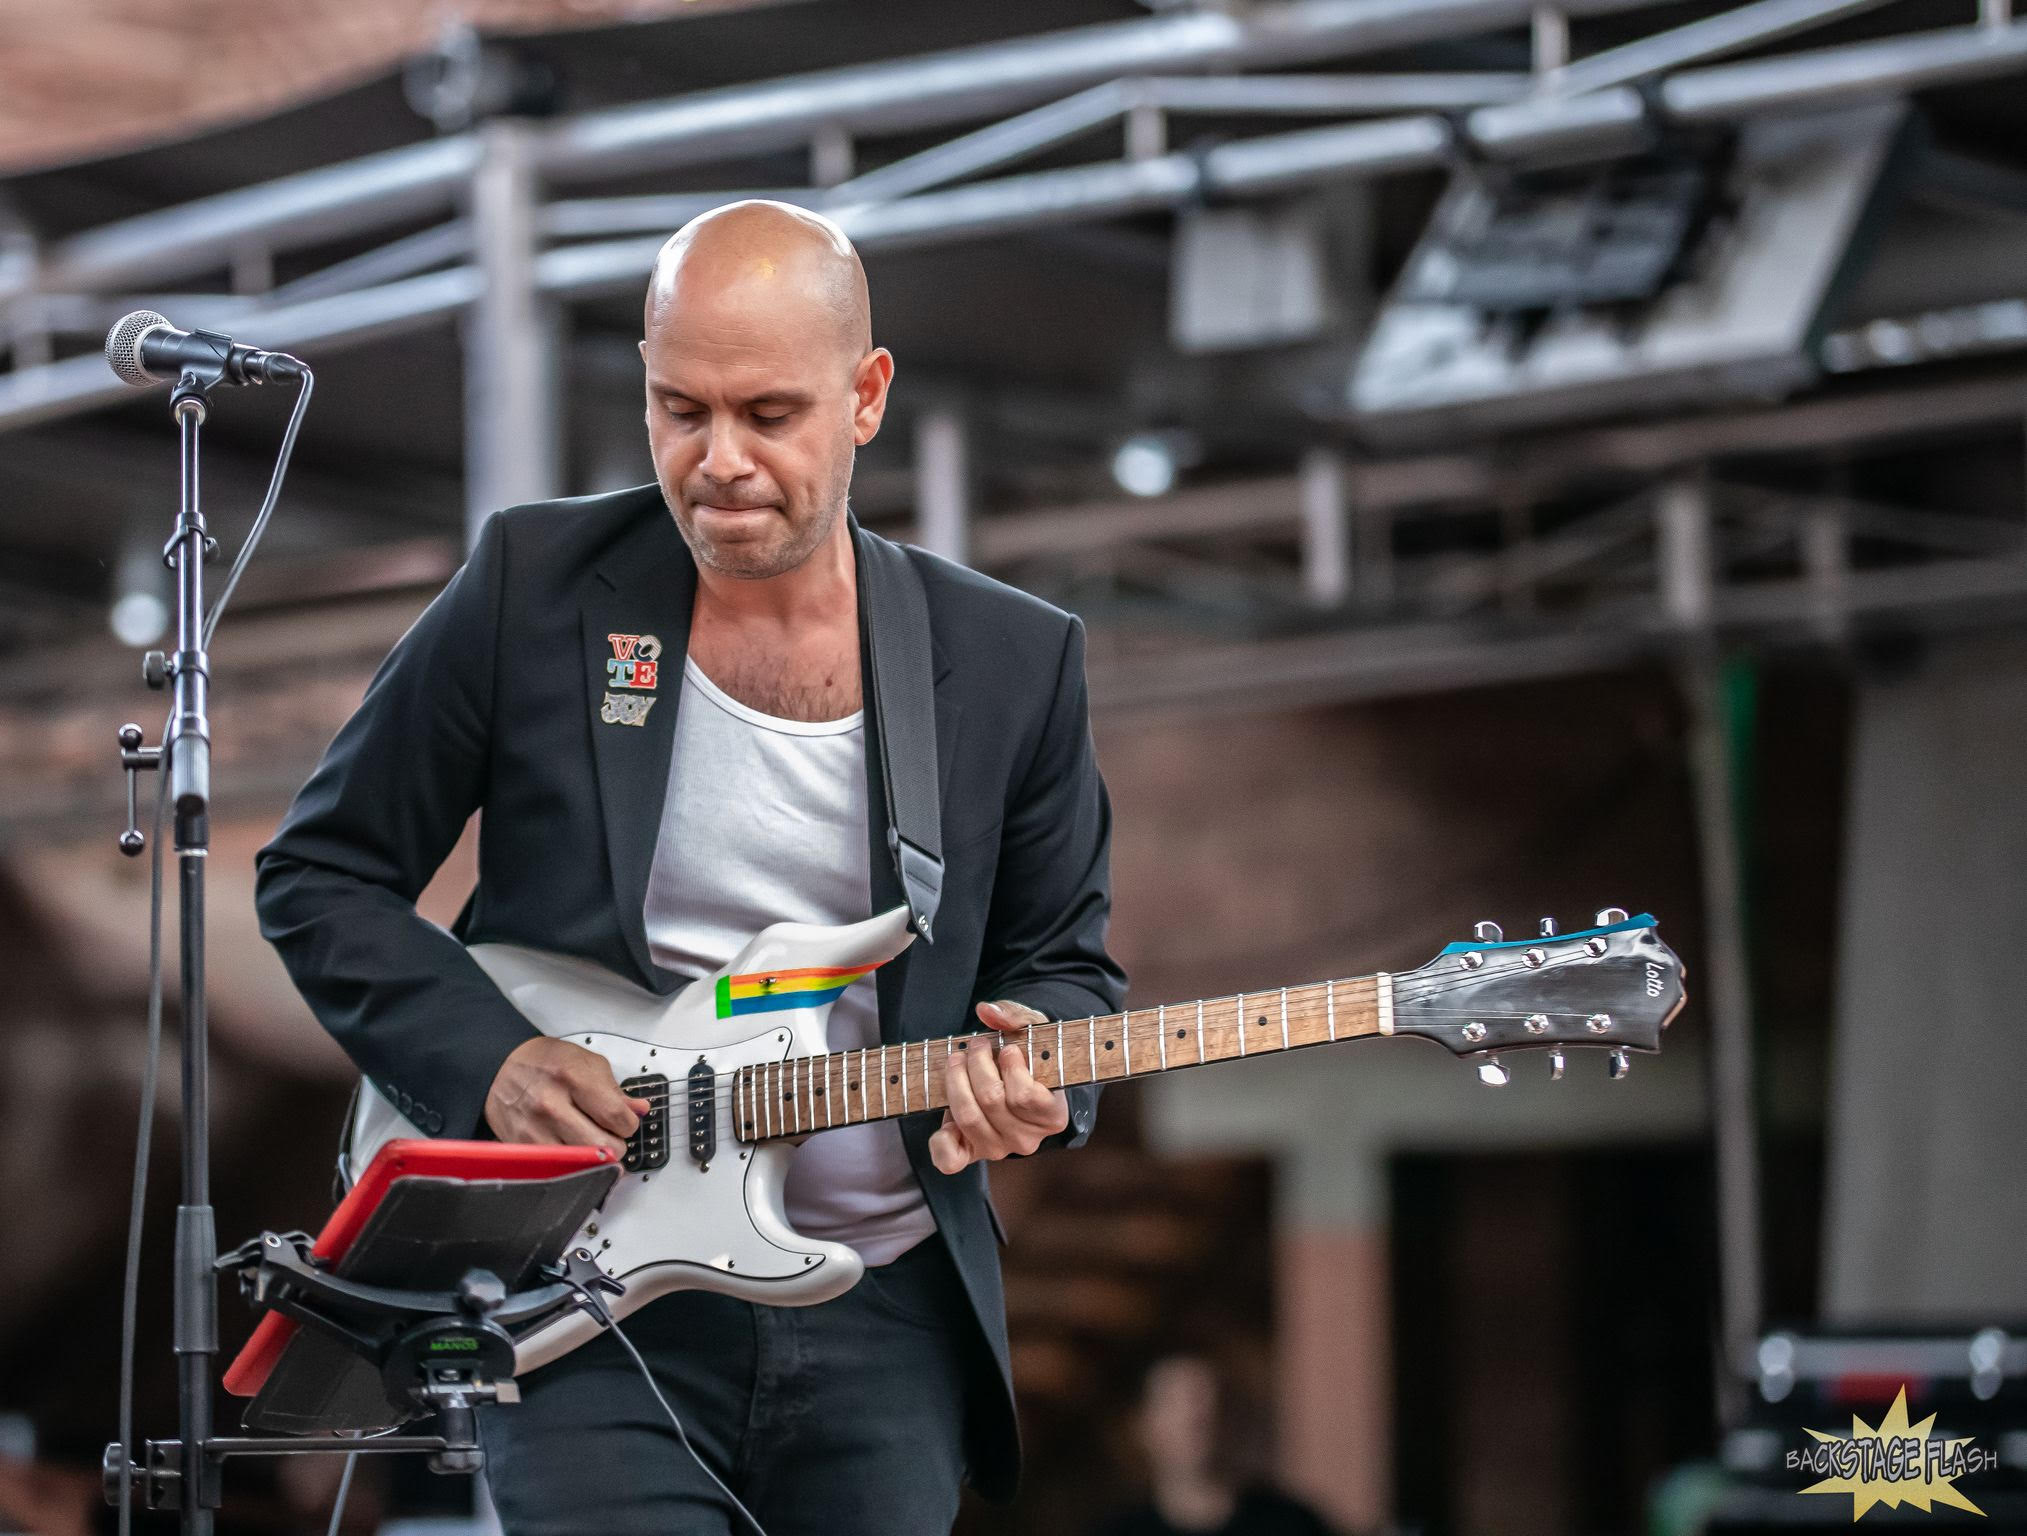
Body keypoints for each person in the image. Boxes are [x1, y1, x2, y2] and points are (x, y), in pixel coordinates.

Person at [254, 199, 1127, 1536]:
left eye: (768, 415)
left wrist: (1038, 1082)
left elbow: (1063, 969)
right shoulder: (534, 588)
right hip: (586, 1294)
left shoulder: (1009, 661)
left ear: (865, 396)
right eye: (679, 410)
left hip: (880, 1309)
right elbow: (320, 873)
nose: (716, 462)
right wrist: (490, 1059)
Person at [1092, 1354, 1339, 1536]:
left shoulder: (1294, 1526)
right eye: (1175, 1404)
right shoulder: (1118, 1531)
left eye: (1210, 1402)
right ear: (1145, 1425)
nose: (1196, 1418)